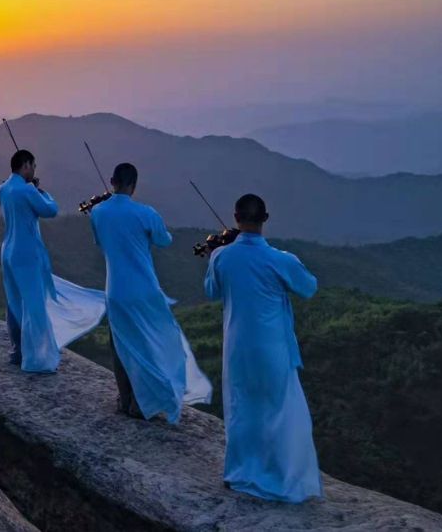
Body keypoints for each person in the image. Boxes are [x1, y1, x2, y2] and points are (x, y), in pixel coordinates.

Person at [205, 193, 322, 503]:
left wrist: (216, 252)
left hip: (236, 345)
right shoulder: (280, 259)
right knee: (281, 410)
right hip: (273, 347)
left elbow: (211, 291)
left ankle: (239, 472)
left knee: (241, 408)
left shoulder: (221, 256)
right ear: (265, 219)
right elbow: (309, 287)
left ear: (235, 217)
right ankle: (282, 476)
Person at [88, 162, 211, 421]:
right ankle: (144, 403)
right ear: (134, 185)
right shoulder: (145, 213)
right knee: (151, 342)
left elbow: (99, 242)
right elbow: (164, 240)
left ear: (112, 181)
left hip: (116, 290)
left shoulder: (98, 212)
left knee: (120, 345)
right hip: (144, 288)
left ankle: (125, 399)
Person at [0, 149, 106, 372]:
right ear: (25, 165)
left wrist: (33, 191)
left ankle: (17, 351)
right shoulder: (26, 190)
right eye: (33, 166)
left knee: (14, 302)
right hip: (26, 253)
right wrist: (42, 192)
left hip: (7, 250)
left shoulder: (4, 188)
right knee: (34, 304)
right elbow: (50, 210)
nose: (35, 169)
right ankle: (37, 358)